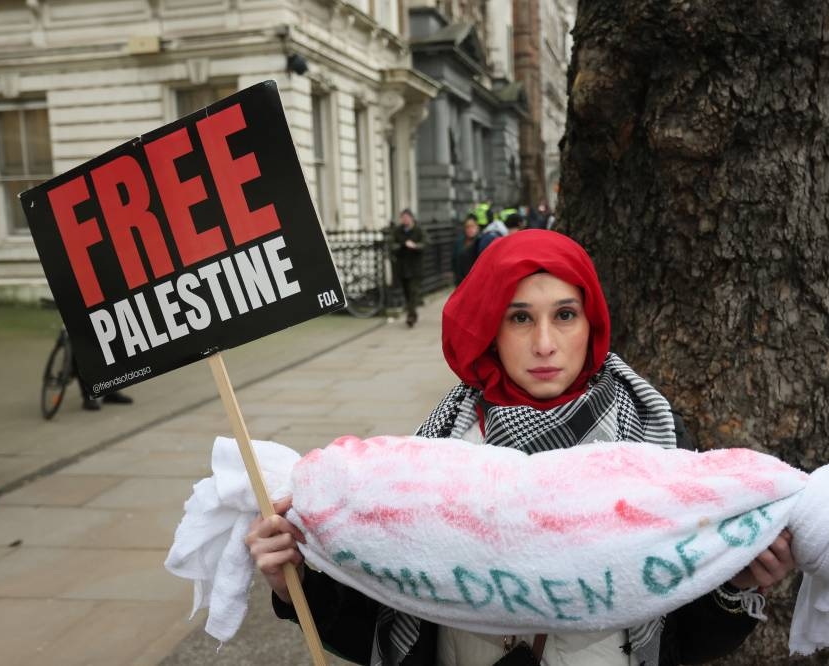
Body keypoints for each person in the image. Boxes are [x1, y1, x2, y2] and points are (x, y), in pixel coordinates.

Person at [246, 230, 796, 665]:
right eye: (519, 318)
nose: (544, 344)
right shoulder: (432, 451)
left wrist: (736, 585)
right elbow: (384, 612)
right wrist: (295, 582)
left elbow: (685, 636)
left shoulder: (657, 444)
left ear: (591, 322)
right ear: (490, 326)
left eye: (564, 314)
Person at [390, 209, 426, 327]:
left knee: (413, 292)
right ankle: (412, 313)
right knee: (406, 293)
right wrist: (401, 246)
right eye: (403, 218)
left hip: (415, 267)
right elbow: (391, 245)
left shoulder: (418, 230)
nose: (405, 220)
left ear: (411, 218)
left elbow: (426, 243)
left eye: (407, 217)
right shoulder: (397, 231)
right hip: (402, 267)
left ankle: (411, 316)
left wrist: (415, 246)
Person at [452, 215, 481, 286]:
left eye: (472, 226)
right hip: (461, 282)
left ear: (477, 227)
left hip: (476, 282)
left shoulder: (481, 242)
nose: (470, 229)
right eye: (467, 227)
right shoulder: (459, 242)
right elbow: (454, 260)